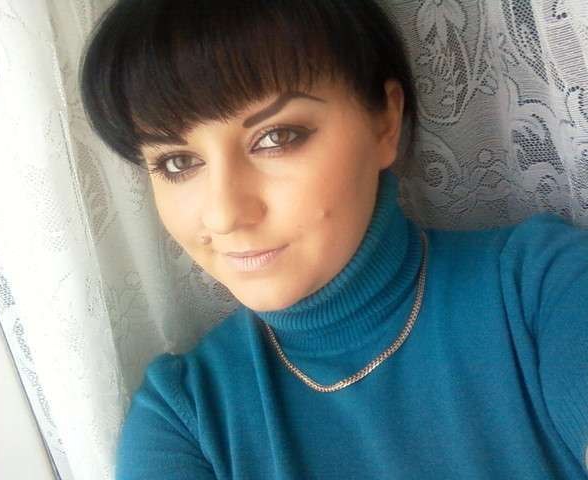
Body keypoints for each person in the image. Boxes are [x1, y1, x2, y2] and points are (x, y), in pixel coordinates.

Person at [80, 0, 588, 478]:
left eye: (276, 137)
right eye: (177, 162)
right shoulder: (184, 420)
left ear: (385, 123)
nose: (225, 214)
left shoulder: (547, 291)